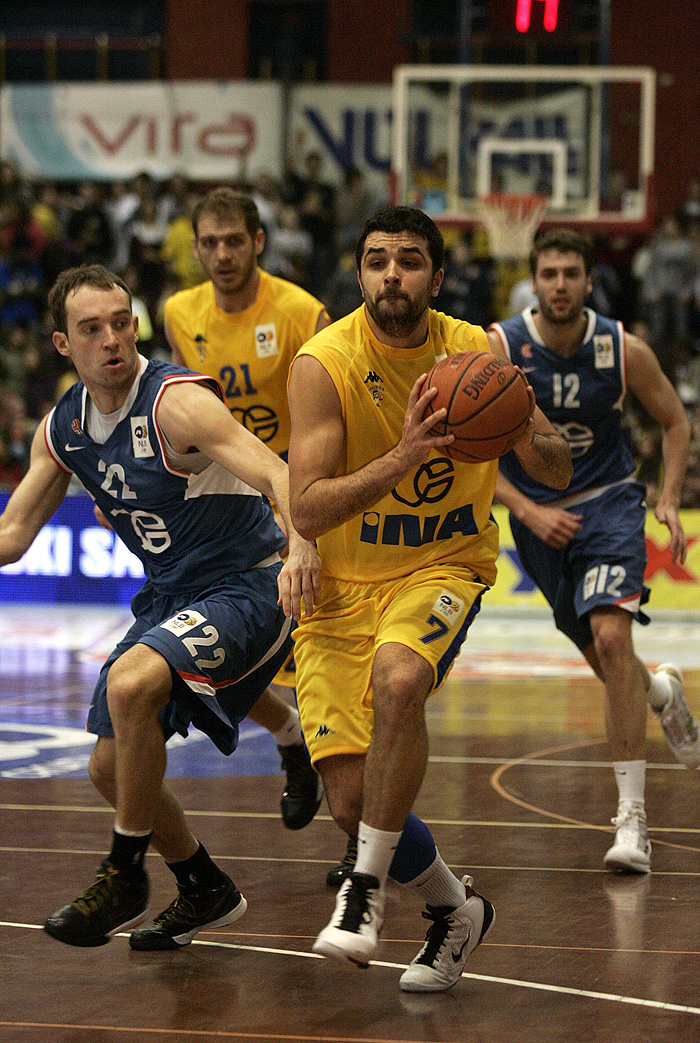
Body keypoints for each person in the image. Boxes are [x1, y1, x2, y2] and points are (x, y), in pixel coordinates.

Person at [286, 205, 572, 991]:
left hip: (442, 565)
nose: (391, 275)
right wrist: (405, 456)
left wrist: (514, 424)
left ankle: (364, 889)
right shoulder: (324, 361)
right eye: (377, 259)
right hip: (340, 591)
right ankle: (457, 907)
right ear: (359, 272)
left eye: (409, 261)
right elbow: (306, 508)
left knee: (401, 678)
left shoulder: (475, 350)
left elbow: (555, 470)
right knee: (350, 799)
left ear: (436, 277)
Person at [0, 264, 320, 949]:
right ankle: (204, 883)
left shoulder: (176, 401)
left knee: (134, 681)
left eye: (122, 322)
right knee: (106, 769)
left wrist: (301, 550)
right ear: (63, 344)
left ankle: (123, 871)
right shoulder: (63, 428)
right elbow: (13, 534)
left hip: (250, 580)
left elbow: (276, 471)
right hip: (173, 592)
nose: (113, 339)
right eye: (92, 329)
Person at [490, 227, 699, 875]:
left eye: (570, 274)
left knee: (613, 640)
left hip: (608, 500)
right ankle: (661, 692)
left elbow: (675, 421)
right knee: (609, 661)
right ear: (533, 281)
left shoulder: (620, 347)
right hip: (537, 516)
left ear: (588, 281)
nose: (559, 285)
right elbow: (465, 446)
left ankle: (632, 818)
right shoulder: (499, 347)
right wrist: (524, 508)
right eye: (548, 273)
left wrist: (667, 497)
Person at [164, 188, 331, 834]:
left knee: (321, 660)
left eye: (235, 240)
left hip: (299, 493)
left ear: (258, 241)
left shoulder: (299, 311)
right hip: (224, 508)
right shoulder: (180, 311)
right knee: (220, 653)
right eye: (210, 241)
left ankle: (360, 828)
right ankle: (292, 740)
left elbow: (331, 411)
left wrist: (304, 517)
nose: (223, 253)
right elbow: (178, 410)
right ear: (196, 247)